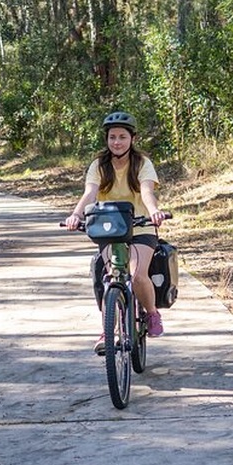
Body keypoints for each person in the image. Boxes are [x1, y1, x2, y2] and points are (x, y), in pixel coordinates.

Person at [64, 111, 168, 352]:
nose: (117, 142)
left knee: (138, 274)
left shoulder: (142, 163)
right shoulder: (99, 165)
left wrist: (154, 211)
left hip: (141, 226)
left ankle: (152, 314)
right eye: (112, 137)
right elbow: (90, 193)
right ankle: (107, 332)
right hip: (109, 228)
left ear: (133, 138)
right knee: (110, 278)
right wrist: (76, 215)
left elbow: (146, 192)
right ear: (106, 139)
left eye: (122, 136)